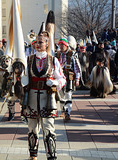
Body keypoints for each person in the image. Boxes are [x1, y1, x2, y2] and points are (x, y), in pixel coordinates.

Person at [22, 31, 66, 160]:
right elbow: (23, 78)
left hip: (48, 99)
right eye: (36, 42)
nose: (37, 44)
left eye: (41, 42)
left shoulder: (54, 60)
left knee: (48, 129)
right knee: (32, 129)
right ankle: (33, 156)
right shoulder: (29, 59)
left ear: (47, 44)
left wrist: (56, 82)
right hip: (31, 99)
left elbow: (63, 79)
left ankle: (51, 156)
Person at [56, 38, 81, 121]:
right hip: (59, 78)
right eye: (60, 45)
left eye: (63, 45)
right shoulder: (57, 54)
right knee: (60, 95)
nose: (61, 46)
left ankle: (67, 112)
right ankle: (63, 110)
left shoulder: (72, 54)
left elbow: (77, 67)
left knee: (68, 95)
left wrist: (77, 79)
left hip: (68, 78)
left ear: (66, 45)